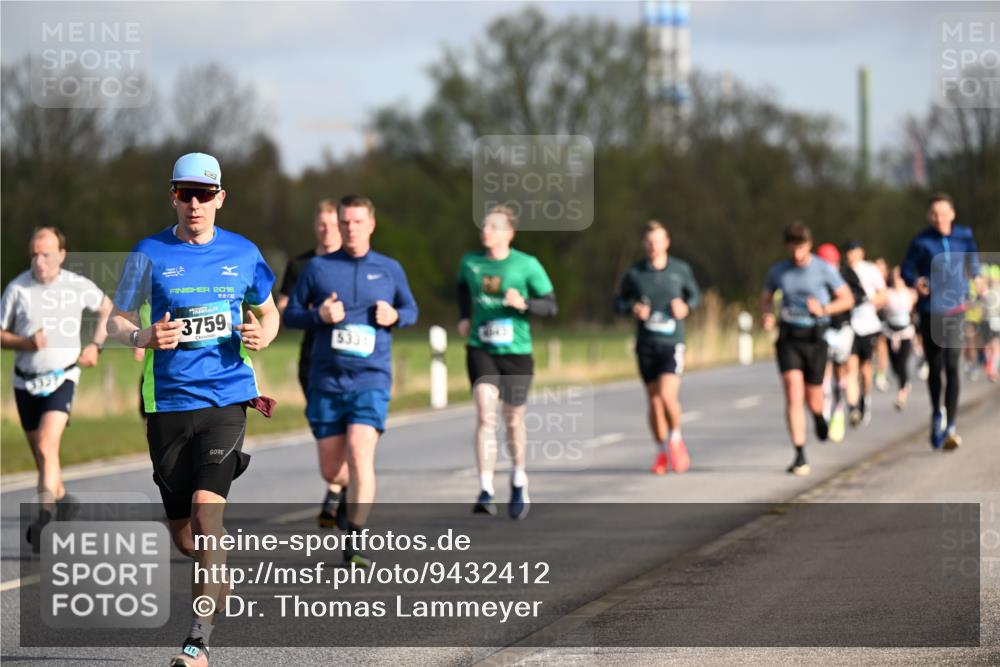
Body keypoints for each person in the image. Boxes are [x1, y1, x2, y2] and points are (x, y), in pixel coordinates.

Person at [106, 153, 280, 667]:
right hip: (168, 405)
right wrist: (142, 334)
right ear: (173, 197)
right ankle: (213, 558)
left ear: (221, 198)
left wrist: (261, 334)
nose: (195, 204)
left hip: (227, 397)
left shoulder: (244, 253)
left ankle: (197, 642)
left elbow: (268, 314)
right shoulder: (148, 253)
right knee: (186, 536)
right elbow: (116, 321)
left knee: (208, 512)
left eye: (205, 194)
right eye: (186, 194)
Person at [284, 195, 417, 563]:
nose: (351, 229)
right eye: (345, 223)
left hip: (371, 376)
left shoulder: (389, 269)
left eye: (358, 222)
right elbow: (291, 314)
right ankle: (343, 492)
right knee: (332, 469)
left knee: (360, 452)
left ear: (371, 224)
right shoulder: (318, 268)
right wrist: (319, 316)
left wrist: (395, 317)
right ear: (338, 225)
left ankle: (355, 539)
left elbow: (411, 309)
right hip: (326, 379)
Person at [1, 227, 113, 548]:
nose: (39, 261)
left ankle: (44, 519)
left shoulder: (76, 286)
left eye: (46, 254)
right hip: (24, 382)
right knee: (41, 455)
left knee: (48, 447)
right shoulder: (17, 289)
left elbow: (108, 308)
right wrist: (25, 342)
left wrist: (96, 346)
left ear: (62, 255)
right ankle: (62, 498)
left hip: (63, 378)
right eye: (34, 254)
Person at [456, 205, 556, 519]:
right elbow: (461, 288)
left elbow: (551, 306)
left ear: (509, 233)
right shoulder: (470, 264)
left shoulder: (527, 265)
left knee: (512, 419)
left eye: (494, 226)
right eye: (484, 225)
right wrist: (463, 316)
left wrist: (523, 303)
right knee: (486, 414)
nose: (486, 231)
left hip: (516, 352)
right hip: (480, 347)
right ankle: (486, 489)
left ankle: (518, 477)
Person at [276, 199, 348, 529]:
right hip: (313, 358)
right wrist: (312, 311)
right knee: (327, 431)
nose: (326, 229)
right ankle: (339, 482)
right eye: (321, 224)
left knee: (354, 434)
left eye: (332, 224)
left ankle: (337, 492)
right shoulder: (300, 264)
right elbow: (285, 308)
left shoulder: (353, 264)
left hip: (352, 362)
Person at [761, 223, 854, 476]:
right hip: (789, 337)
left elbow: (847, 299)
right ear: (786, 247)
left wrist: (823, 310)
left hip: (815, 337)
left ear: (809, 246)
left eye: (801, 248)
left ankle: (818, 416)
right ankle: (800, 454)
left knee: (813, 397)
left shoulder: (823, 269)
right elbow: (766, 299)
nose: (797, 254)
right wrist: (767, 316)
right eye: (792, 248)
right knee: (793, 391)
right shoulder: (779, 271)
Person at [614, 221, 701, 474]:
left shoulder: (680, 269)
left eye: (658, 241)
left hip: (672, 342)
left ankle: (675, 439)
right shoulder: (635, 273)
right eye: (649, 242)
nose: (653, 247)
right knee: (653, 402)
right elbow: (618, 302)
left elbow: (695, 295)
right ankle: (661, 451)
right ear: (644, 244)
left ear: (667, 242)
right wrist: (632, 309)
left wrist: (686, 307)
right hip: (646, 343)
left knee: (666, 397)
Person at [901, 193, 980, 451]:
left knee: (952, 364)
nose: (939, 218)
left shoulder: (964, 235)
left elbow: (973, 259)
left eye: (943, 213)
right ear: (929, 217)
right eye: (934, 214)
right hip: (930, 309)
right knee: (935, 367)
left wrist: (976, 276)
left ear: (952, 214)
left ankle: (951, 426)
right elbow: (906, 269)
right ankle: (937, 412)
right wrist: (916, 282)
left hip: (956, 307)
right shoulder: (921, 240)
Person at [843, 240, 887, 427]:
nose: (851, 254)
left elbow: (883, 294)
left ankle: (865, 399)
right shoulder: (841, 271)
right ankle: (852, 407)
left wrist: (869, 301)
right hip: (849, 324)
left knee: (865, 367)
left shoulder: (870, 270)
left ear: (861, 252)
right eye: (848, 251)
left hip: (868, 325)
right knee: (850, 367)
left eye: (854, 250)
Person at [814, 243, 854, 443]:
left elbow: (857, 295)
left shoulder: (846, 275)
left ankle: (839, 408)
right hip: (823, 329)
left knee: (840, 369)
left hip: (843, 328)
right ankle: (826, 410)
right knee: (823, 370)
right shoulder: (814, 277)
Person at [882, 266, 918, 410]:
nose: (897, 279)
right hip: (890, 333)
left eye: (899, 276)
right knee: (895, 366)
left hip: (905, 333)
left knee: (903, 364)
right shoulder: (887, 293)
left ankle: (901, 394)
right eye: (894, 276)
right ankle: (903, 382)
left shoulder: (911, 293)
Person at [872, 257, 892, 393]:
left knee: (881, 344)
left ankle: (881, 373)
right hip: (867, 319)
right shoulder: (868, 281)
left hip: (883, 318)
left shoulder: (889, 283)